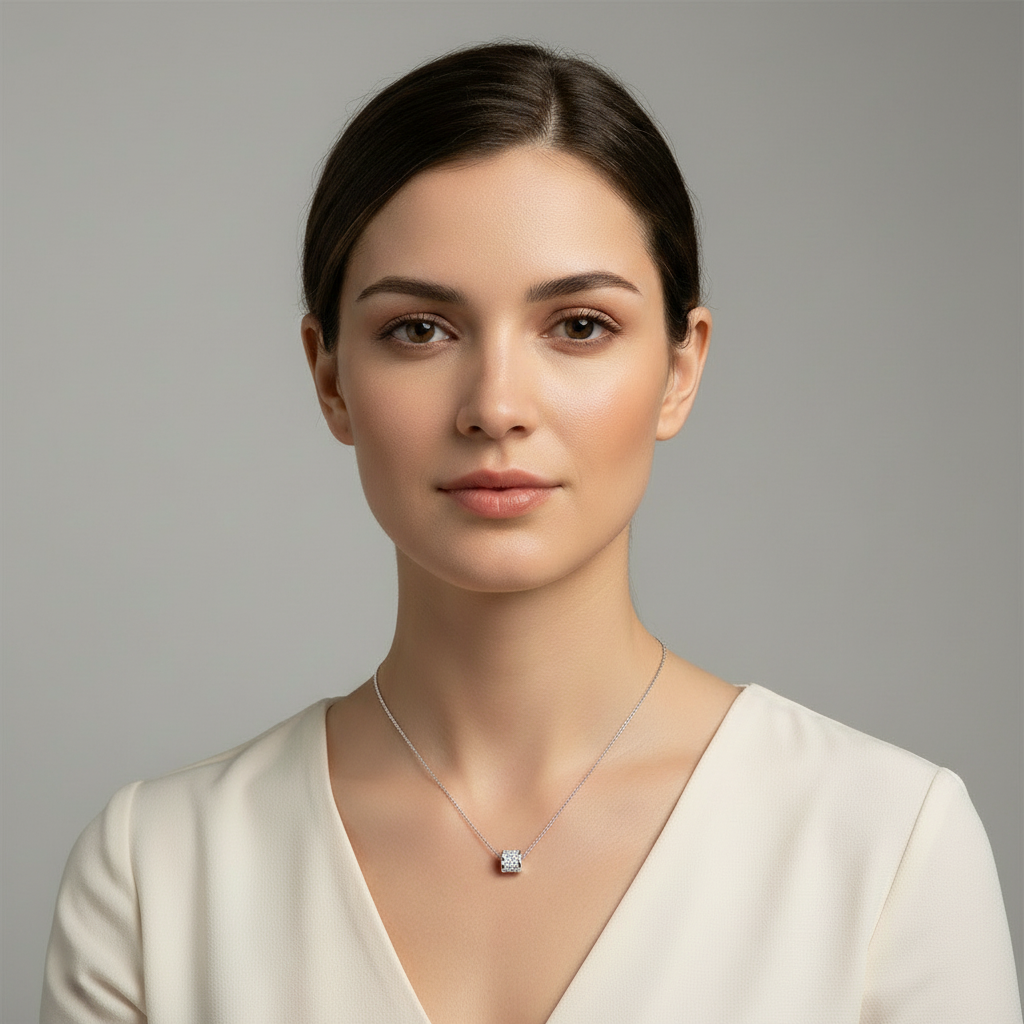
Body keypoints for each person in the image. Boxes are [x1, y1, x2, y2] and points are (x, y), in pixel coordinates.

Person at [41, 40, 1021, 1024]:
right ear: (330, 375)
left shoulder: (886, 845)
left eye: (579, 326)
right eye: (420, 329)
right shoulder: (154, 877)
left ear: (681, 368)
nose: (496, 406)